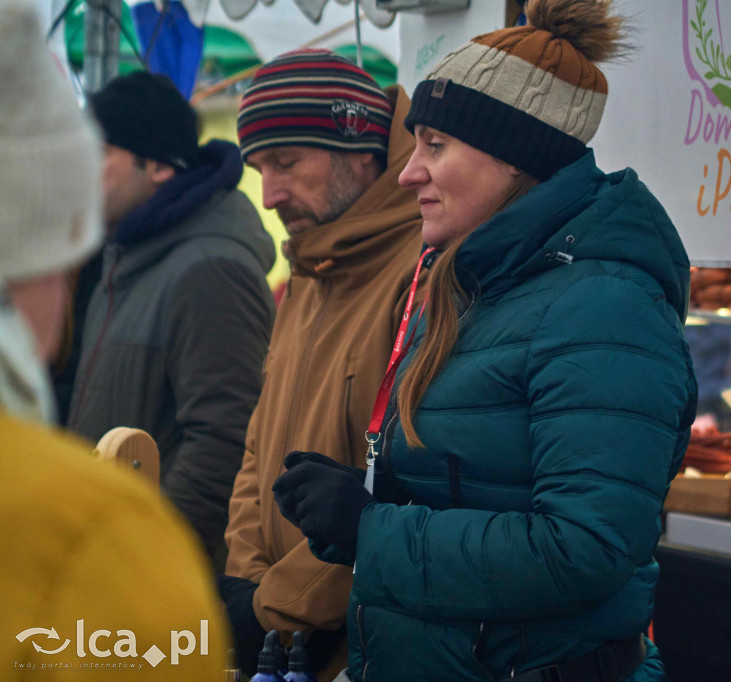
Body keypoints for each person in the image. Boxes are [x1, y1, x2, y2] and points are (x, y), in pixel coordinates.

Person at [272, 2, 698, 680]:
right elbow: (481, 484)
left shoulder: (603, 305)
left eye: (435, 145)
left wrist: (370, 530)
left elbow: (583, 548)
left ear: (515, 157)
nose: (410, 171)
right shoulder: (475, 282)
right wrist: (368, 500)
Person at [0, 5, 228, 679]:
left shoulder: (196, 264)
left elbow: (222, 431)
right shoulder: (90, 536)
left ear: (159, 167)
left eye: (101, 153)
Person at [218, 49, 424, 678]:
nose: (269, 192)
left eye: (285, 162)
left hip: (371, 643)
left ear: (360, 146)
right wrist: (246, 581)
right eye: (258, 167)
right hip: (283, 645)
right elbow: (260, 446)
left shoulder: (428, 267)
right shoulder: (307, 266)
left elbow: (401, 479)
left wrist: (274, 607)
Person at [65, 71, 277, 568]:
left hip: (145, 576)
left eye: (97, 153)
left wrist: (135, 556)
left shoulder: (210, 268)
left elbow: (226, 443)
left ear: (158, 166)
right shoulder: (126, 256)